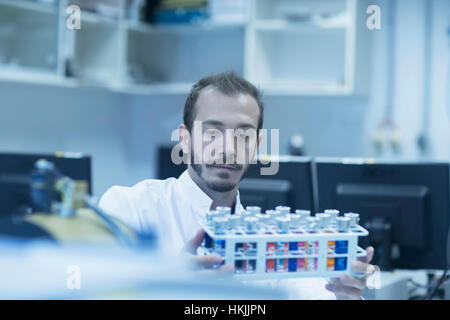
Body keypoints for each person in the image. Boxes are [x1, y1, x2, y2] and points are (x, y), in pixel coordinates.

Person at [99, 72, 376, 299]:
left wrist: (344, 296)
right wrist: (171, 285)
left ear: (256, 146)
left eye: (243, 136)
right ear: (184, 140)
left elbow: (312, 292)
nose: (228, 149)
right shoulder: (129, 208)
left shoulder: (270, 237)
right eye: (212, 131)